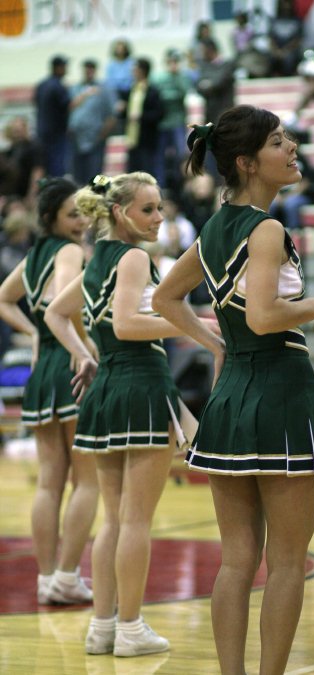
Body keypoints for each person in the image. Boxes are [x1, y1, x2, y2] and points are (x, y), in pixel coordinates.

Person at [152, 105, 314, 674]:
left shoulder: (214, 229)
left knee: (236, 561)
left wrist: (218, 345)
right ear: (247, 162)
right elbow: (267, 315)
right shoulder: (267, 228)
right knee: (288, 560)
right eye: (278, 140)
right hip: (281, 392)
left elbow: (165, 299)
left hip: (230, 398)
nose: (291, 145)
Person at [44, 171, 216, 657]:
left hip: (108, 387)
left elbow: (57, 313)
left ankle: (103, 626)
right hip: (140, 384)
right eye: (148, 209)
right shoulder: (136, 256)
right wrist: (197, 325)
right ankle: (132, 627)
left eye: (160, 208)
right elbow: (125, 322)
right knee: (134, 519)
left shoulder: (98, 261)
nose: (159, 217)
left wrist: (85, 354)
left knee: (115, 519)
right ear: (120, 213)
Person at [0, 177, 98, 604]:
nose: (81, 221)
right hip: (72, 364)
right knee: (87, 480)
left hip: (42, 373)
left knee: (49, 482)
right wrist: (84, 343)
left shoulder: (35, 253)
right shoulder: (71, 251)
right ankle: (67, 577)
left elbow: (4, 298)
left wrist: (35, 333)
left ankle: (46, 579)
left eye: (83, 213)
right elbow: (62, 300)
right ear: (52, 218)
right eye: (72, 214)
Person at [68, 59, 117, 186]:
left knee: (96, 176)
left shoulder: (104, 89)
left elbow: (112, 116)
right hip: (76, 138)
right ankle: (79, 201)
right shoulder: (75, 88)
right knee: (77, 175)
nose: (88, 71)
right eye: (86, 68)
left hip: (95, 139)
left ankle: (98, 198)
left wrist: (101, 136)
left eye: (91, 68)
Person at [154, 49, 192, 190]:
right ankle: (161, 185)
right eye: (170, 62)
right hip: (162, 124)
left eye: (175, 62)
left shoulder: (183, 77)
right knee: (160, 157)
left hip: (177, 121)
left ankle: (181, 184)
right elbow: (158, 95)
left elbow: (186, 91)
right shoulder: (158, 77)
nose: (173, 65)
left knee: (180, 155)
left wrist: (177, 77)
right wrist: (173, 95)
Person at [125, 58, 164, 184]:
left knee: (147, 172)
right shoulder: (132, 89)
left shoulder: (152, 91)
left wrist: (140, 117)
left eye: (135, 69)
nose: (132, 72)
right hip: (132, 137)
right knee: (133, 172)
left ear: (142, 71)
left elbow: (159, 114)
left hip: (146, 138)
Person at [34, 55, 71, 177]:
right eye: (65, 66)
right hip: (56, 133)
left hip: (42, 131)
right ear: (58, 68)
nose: (66, 69)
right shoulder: (58, 86)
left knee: (45, 166)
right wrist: (85, 95)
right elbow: (69, 105)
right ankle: (58, 194)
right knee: (57, 167)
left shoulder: (42, 85)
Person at [0, 116, 45, 209]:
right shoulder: (12, 149)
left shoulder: (33, 147)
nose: (17, 134)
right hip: (14, 197)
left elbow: (38, 171)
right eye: (14, 131)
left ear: (26, 129)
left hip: (28, 196)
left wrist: (32, 194)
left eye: (19, 130)